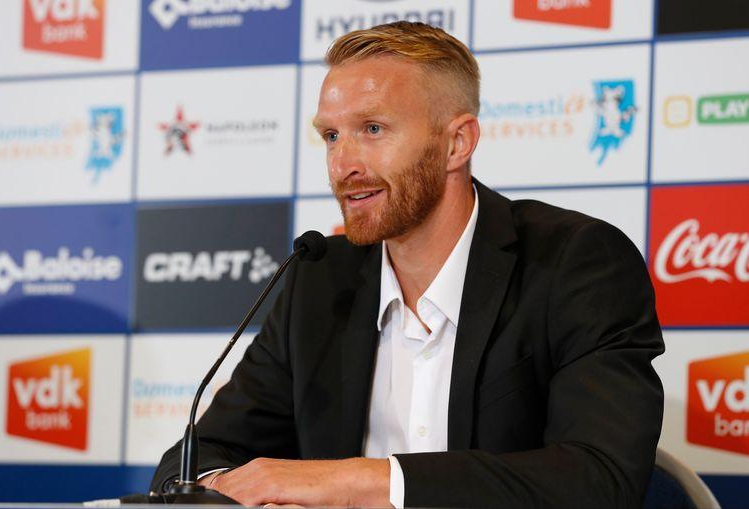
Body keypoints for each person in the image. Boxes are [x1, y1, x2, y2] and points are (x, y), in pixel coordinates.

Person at [151, 21, 664, 508]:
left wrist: (355, 482)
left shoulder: (575, 263)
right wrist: (224, 490)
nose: (342, 165)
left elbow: (601, 480)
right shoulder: (319, 281)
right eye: (331, 136)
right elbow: (189, 464)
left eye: (373, 128)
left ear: (456, 143)